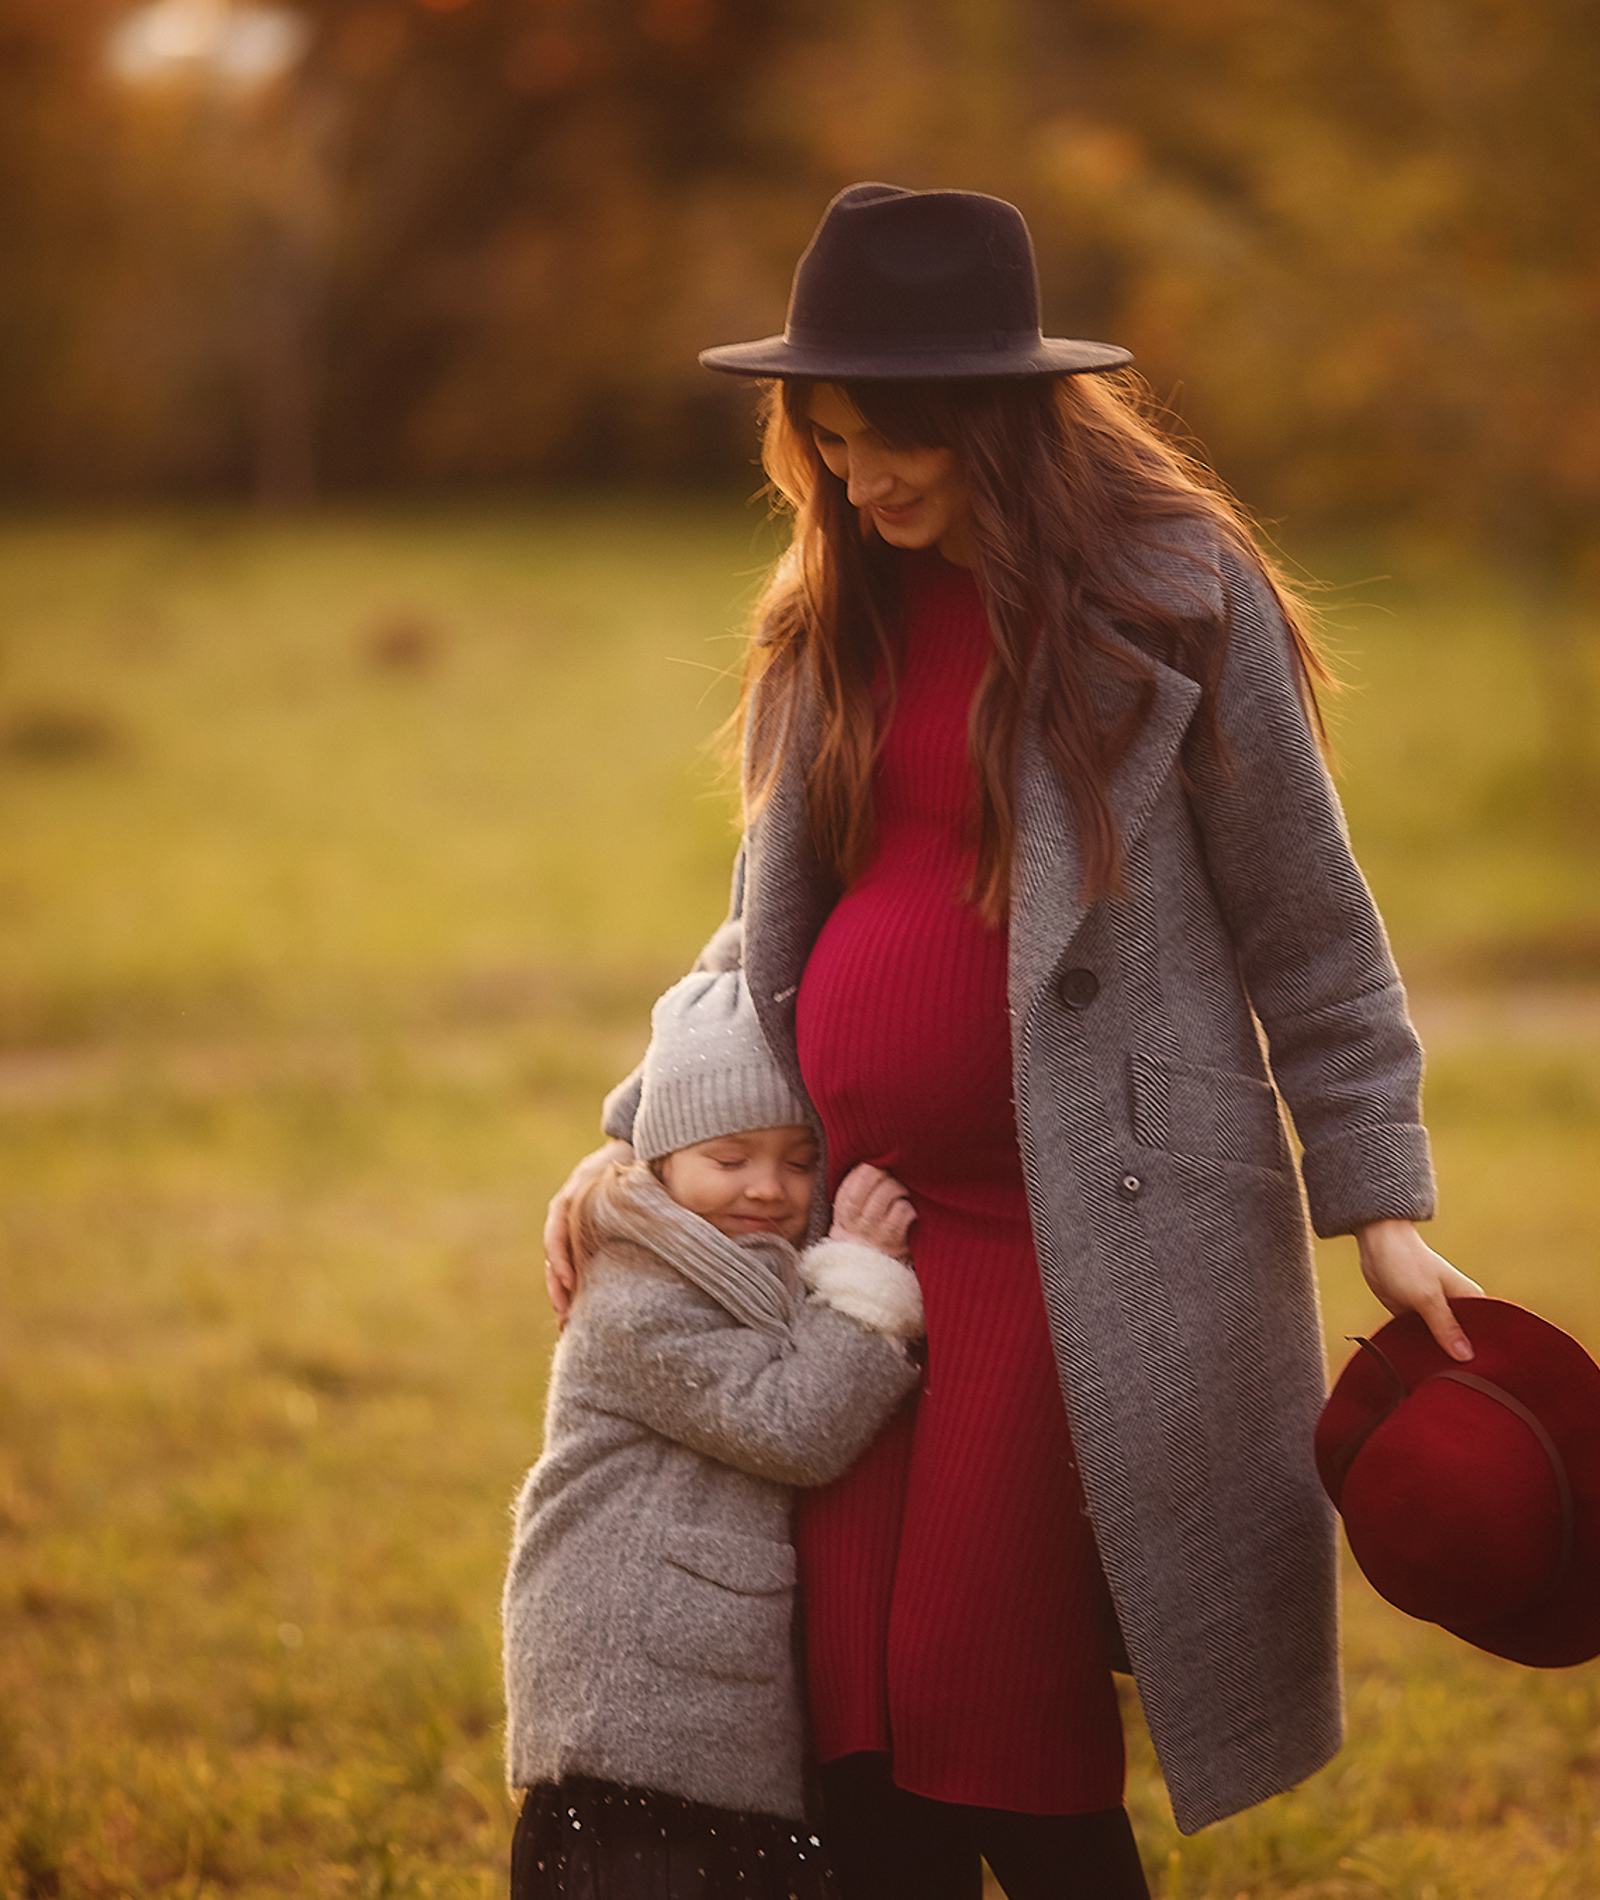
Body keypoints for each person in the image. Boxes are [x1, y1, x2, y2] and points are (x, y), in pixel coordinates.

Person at [543, 184, 1485, 1900]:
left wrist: (1383, 1204)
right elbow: (768, 926)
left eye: (889, 439)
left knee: (987, 1700)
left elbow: (1312, 923)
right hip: (862, 1239)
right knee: (859, 1721)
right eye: (824, 440)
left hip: (1084, 1236)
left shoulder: (1177, 600)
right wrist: (634, 1138)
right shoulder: (840, 607)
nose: (855, 477)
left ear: (1000, 417)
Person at [504, 958, 926, 1899]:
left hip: (693, 1705)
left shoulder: (732, 1258)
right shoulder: (636, 1292)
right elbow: (790, 1426)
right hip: (633, 1716)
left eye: (799, 1158)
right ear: (657, 1158)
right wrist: (862, 1281)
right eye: (730, 1159)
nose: (769, 1188)